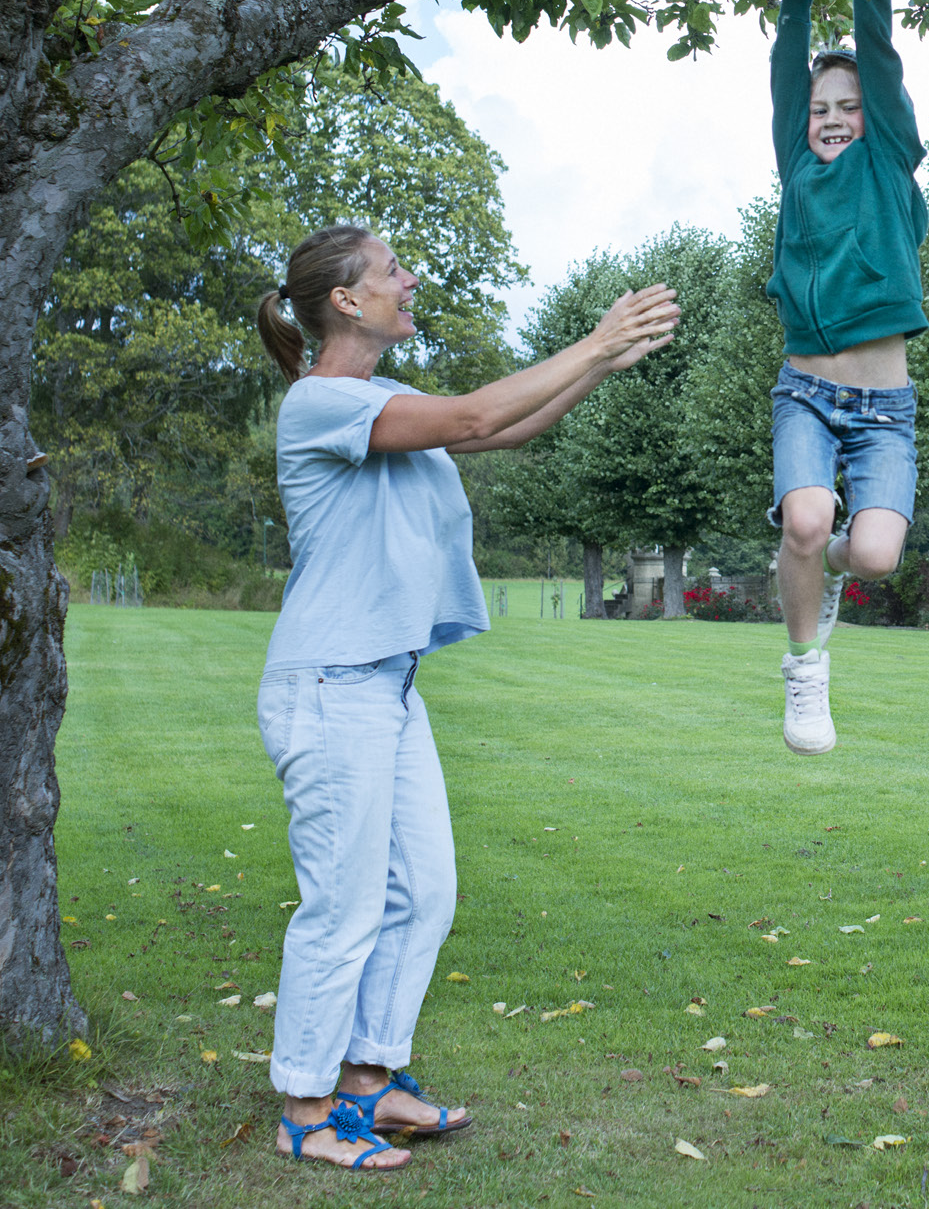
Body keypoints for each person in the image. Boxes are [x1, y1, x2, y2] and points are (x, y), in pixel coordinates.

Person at [253, 225, 679, 1171]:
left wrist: (606, 362)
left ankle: (371, 1077)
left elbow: (514, 425)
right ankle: (306, 1106)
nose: (410, 281)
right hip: (330, 684)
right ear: (347, 303)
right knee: (344, 906)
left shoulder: (386, 396)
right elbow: (479, 418)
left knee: (425, 893)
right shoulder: (320, 404)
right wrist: (599, 339)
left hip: (388, 687)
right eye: (391, 272)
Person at [766, 0, 928, 755]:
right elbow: (786, 77)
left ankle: (824, 573)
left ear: (876, 121)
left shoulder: (888, 163)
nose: (829, 118)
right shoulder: (796, 163)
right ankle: (803, 671)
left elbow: (880, 53)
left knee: (870, 557)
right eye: (821, 109)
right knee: (803, 518)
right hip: (806, 392)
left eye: (846, 107)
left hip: (884, 411)